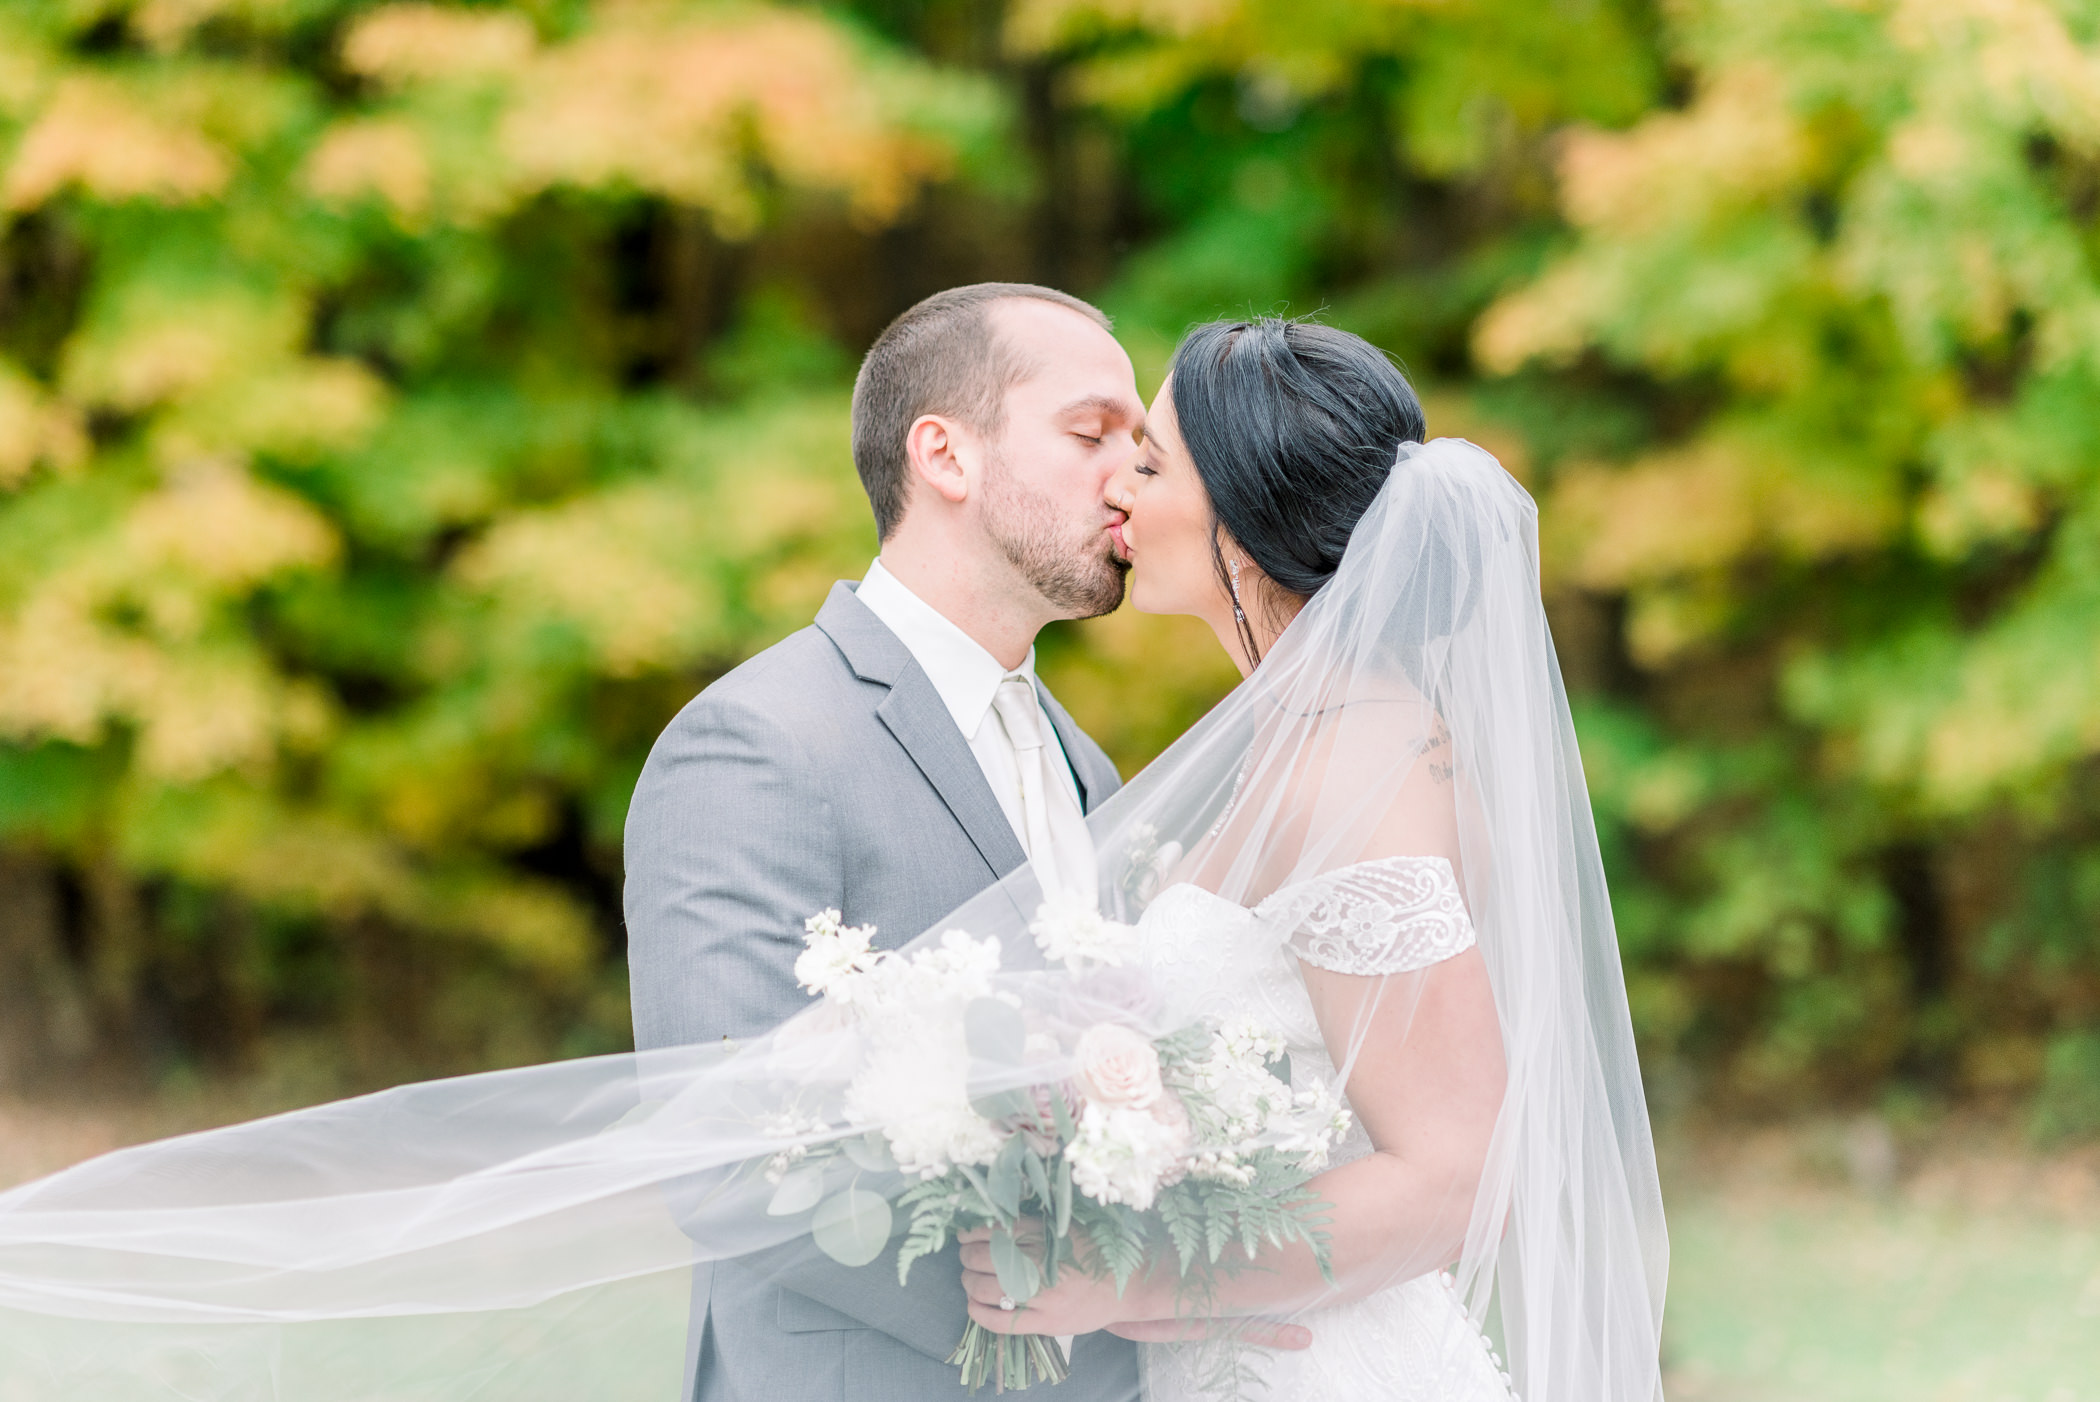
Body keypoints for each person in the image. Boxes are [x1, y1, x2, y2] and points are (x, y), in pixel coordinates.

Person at [948, 318, 1667, 1401]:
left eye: (1151, 463)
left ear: (1241, 522)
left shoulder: (1348, 767)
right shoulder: (1336, 732)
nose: (1122, 494)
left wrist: (1128, 1274)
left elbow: (1461, 1176)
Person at [624, 282, 1145, 1402]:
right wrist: (1059, 1315)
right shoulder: (754, 742)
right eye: (1092, 433)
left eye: (1141, 445)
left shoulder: (1088, 767)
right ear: (945, 456)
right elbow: (726, 1162)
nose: (1131, 478)